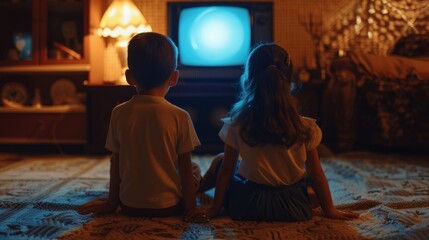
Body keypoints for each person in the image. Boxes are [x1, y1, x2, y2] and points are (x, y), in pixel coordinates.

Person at [189, 43, 360, 222]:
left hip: (249, 206)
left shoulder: (236, 125)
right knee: (307, 178)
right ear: (289, 83)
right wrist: (330, 210)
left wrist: (215, 208)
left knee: (219, 161)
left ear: (247, 80)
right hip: (294, 208)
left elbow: (227, 170)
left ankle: (192, 192)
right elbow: (317, 174)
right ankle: (305, 197)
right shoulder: (306, 127)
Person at [78, 32, 201, 218]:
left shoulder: (118, 113)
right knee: (193, 168)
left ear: (129, 77)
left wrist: (111, 203)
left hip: (129, 206)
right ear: (174, 78)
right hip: (169, 207)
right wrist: (191, 208)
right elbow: (184, 167)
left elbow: (116, 162)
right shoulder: (180, 116)